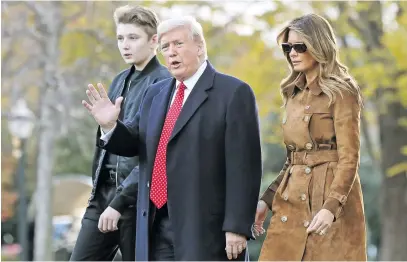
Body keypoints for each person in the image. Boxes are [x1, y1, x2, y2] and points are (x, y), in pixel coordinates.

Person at [82, 16, 263, 261]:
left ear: (200, 47)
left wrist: (237, 226)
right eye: (165, 47)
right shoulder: (155, 93)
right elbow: (135, 142)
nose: (171, 52)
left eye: (178, 44)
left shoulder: (233, 92)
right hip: (155, 226)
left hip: (205, 229)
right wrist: (111, 126)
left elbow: (244, 167)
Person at [253, 14, 367, 261]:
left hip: (327, 205)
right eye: (287, 47)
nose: (292, 53)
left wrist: (331, 207)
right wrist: (267, 201)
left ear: (319, 45)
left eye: (299, 46)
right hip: (291, 204)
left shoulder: (341, 90)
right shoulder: (292, 92)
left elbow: (349, 158)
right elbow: (293, 160)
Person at [70, 5, 171, 261]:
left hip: (137, 202)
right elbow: (109, 144)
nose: (125, 45)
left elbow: (154, 152)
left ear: (154, 41)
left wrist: (119, 202)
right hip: (102, 195)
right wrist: (107, 127)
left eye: (133, 38)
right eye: (120, 38)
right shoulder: (118, 81)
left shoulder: (164, 84)